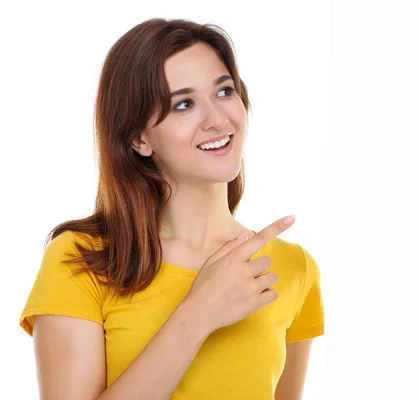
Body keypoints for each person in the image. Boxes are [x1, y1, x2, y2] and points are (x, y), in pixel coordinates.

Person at [19, 17, 325, 400]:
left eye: (225, 91)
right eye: (183, 104)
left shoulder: (294, 268)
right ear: (138, 139)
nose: (218, 119)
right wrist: (198, 315)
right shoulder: (83, 259)